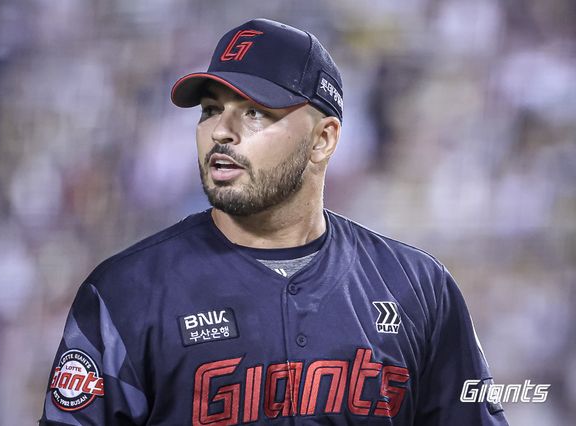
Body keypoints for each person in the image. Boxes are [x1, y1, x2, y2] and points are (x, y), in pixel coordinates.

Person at [39, 18, 509, 425]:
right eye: (211, 110)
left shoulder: (418, 288)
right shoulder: (126, 292)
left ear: (323, 140)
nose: (221, 131)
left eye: (254, 112)